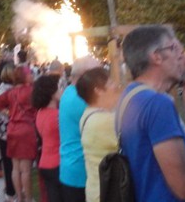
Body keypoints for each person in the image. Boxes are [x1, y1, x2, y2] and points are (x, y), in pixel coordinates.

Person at [120, 25, 185, 201]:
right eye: (173, 48)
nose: (182, 56)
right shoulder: (157, 104)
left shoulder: (130, 96)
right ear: (156, 57)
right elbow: (183, 186)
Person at [58, 55, 100, 202]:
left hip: (71, 168)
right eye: (97, 73)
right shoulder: (81, 98)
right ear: (84, 76)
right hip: (81, 173)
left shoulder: (69, 92)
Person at [75, 67, 120, 202]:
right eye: (111, 83)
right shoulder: (105, 121)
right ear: (98, 91)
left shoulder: (88, 114)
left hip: (96, 190)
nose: (116, 86)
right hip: (109, 193)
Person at [0, 65, 37, 202]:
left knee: (15, 167)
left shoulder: (11, 92)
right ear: (25, 76)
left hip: (12, 129)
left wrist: (10, 113)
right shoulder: (31, 90)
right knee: (26, 169)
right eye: (30, 73)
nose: (32, 75)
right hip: (26, 130)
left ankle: (18, 197)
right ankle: (28, 198)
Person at [32, 74, 64, 202]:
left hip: (45, 162)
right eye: (58, 88)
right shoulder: (57, 116)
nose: (61, 91)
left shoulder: (40, 113)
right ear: (52, 93)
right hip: (58, 163)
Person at [0, 63, 16, 201]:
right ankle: (12, 190)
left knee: (7, 162)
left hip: (1, 130)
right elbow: (4, 110)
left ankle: (10, 189)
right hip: (10, 128)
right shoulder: (10, 90)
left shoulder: (0, 88)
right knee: (12, 163)